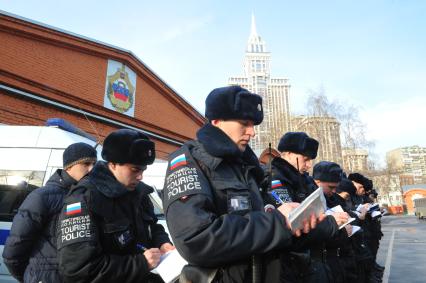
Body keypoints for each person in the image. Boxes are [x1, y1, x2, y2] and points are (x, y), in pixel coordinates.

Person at [162, 86, 321, 283]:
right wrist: (278, 222)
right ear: (216, 121)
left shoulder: (246, 166)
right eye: (244, 123)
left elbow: (260, 217)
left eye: (253, 124)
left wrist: (289, 214)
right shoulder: (189, 161)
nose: (252, 132)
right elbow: (195, 239)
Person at [57, 129, 173, 283]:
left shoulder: (139, 192)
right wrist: (141, 263)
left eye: (143, 170)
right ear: (112, 164)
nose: (140, 176)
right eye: (135, 169)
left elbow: (152, 225)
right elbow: (78, 270)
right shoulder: (83, 199)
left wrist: (162, 242)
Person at [2, 142, 97, 283]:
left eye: (94, 164)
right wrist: (33, 276)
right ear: (69, 165)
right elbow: (15, 248)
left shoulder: (89, 196)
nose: (91, 169)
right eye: (86, 164)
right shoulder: (42, 196)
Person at [266, 133, 349, 283]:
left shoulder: (305, 180)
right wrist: (331, 223)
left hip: (315, 265)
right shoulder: (276, 180)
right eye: (305, 159)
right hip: (295, 269)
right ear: (288, 154)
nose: (309, 165)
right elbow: (293, 227)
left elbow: (321, 212)